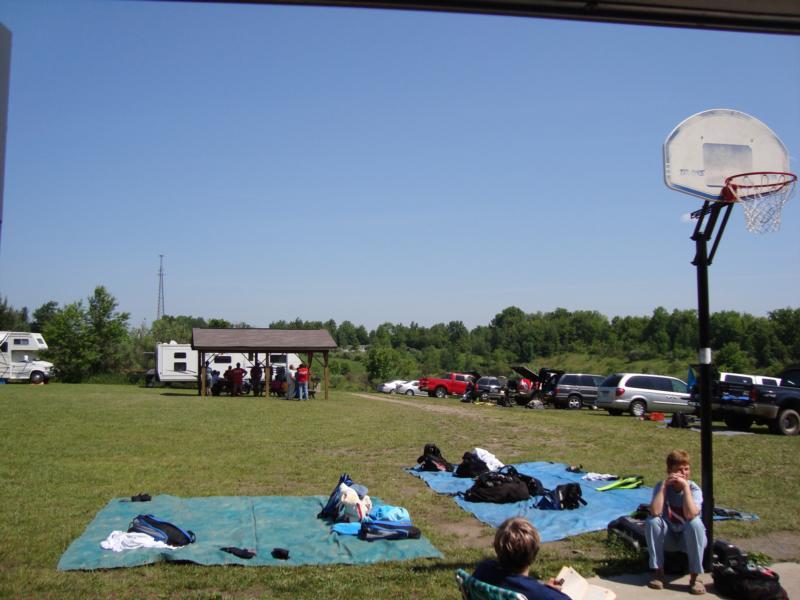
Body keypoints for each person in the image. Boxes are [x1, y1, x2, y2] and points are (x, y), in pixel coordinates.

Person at [646, 449, 707, 595]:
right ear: (669, 471)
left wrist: (685, 488)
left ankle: (695, 577)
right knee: (652, 522)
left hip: (689, 538)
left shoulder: (693, 488)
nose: (683, 473)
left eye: (686, 469)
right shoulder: (662, 486)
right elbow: (655, 511)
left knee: (695, 523)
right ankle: (658, 572)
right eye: (679, 470)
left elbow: (691, 514)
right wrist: (663, 488)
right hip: (670, 536)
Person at [473, 517, 569, 600]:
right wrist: (550, 592)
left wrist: (545, 588)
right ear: (534, 553)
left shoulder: (483, 571)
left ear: (496, 548)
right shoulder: (543, 595)